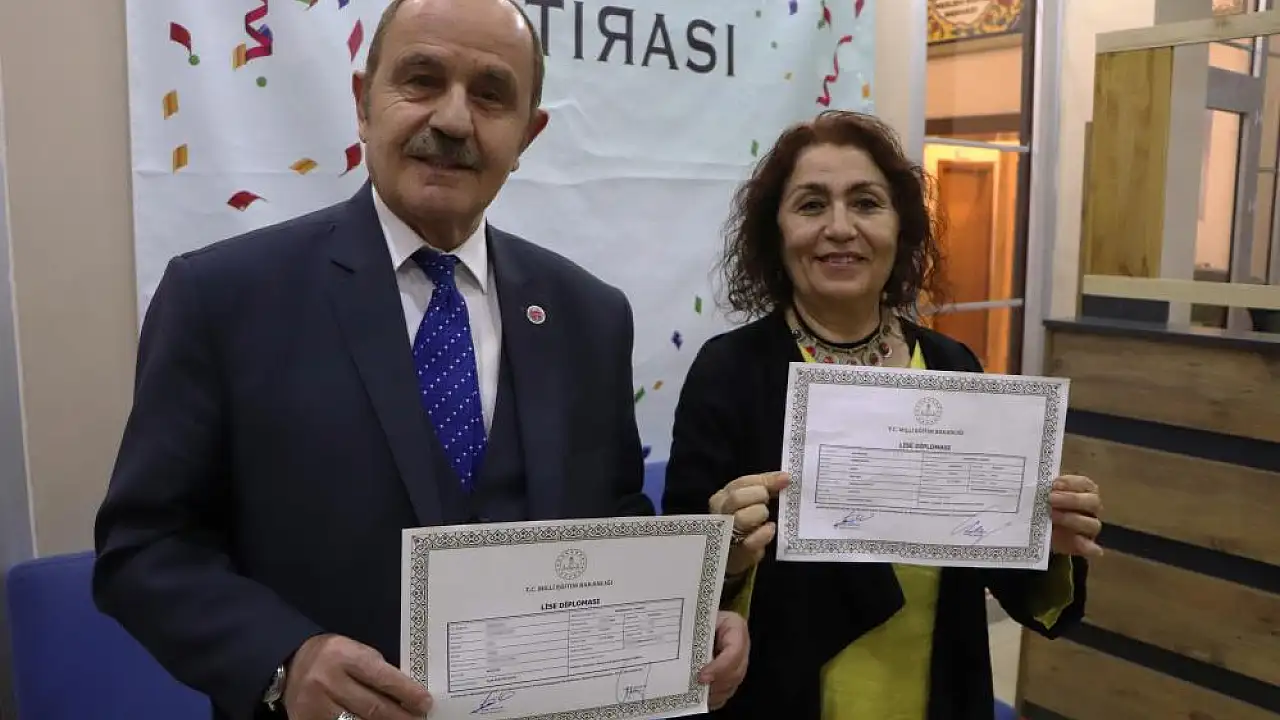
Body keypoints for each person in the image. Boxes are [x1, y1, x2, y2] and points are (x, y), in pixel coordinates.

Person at [93, 1, 749, 718]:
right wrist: (284, 659)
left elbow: (609, 519)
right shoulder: (222, 297)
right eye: (422, 80)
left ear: (527, 135)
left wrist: (684, 623)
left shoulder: (590, 316)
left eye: (491, 95)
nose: (454, 120)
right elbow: (145, 546)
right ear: (363, 102)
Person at [662, 111, 1102, 720]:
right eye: (811, 205)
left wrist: (1042, 538)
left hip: (938, 693)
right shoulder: (729, 371)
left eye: (866, 203)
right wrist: (727, 554)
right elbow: (678, 583)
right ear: (776, 232)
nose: (840, 228)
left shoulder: (952, 365)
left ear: (901, 227)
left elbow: (1004, 572)